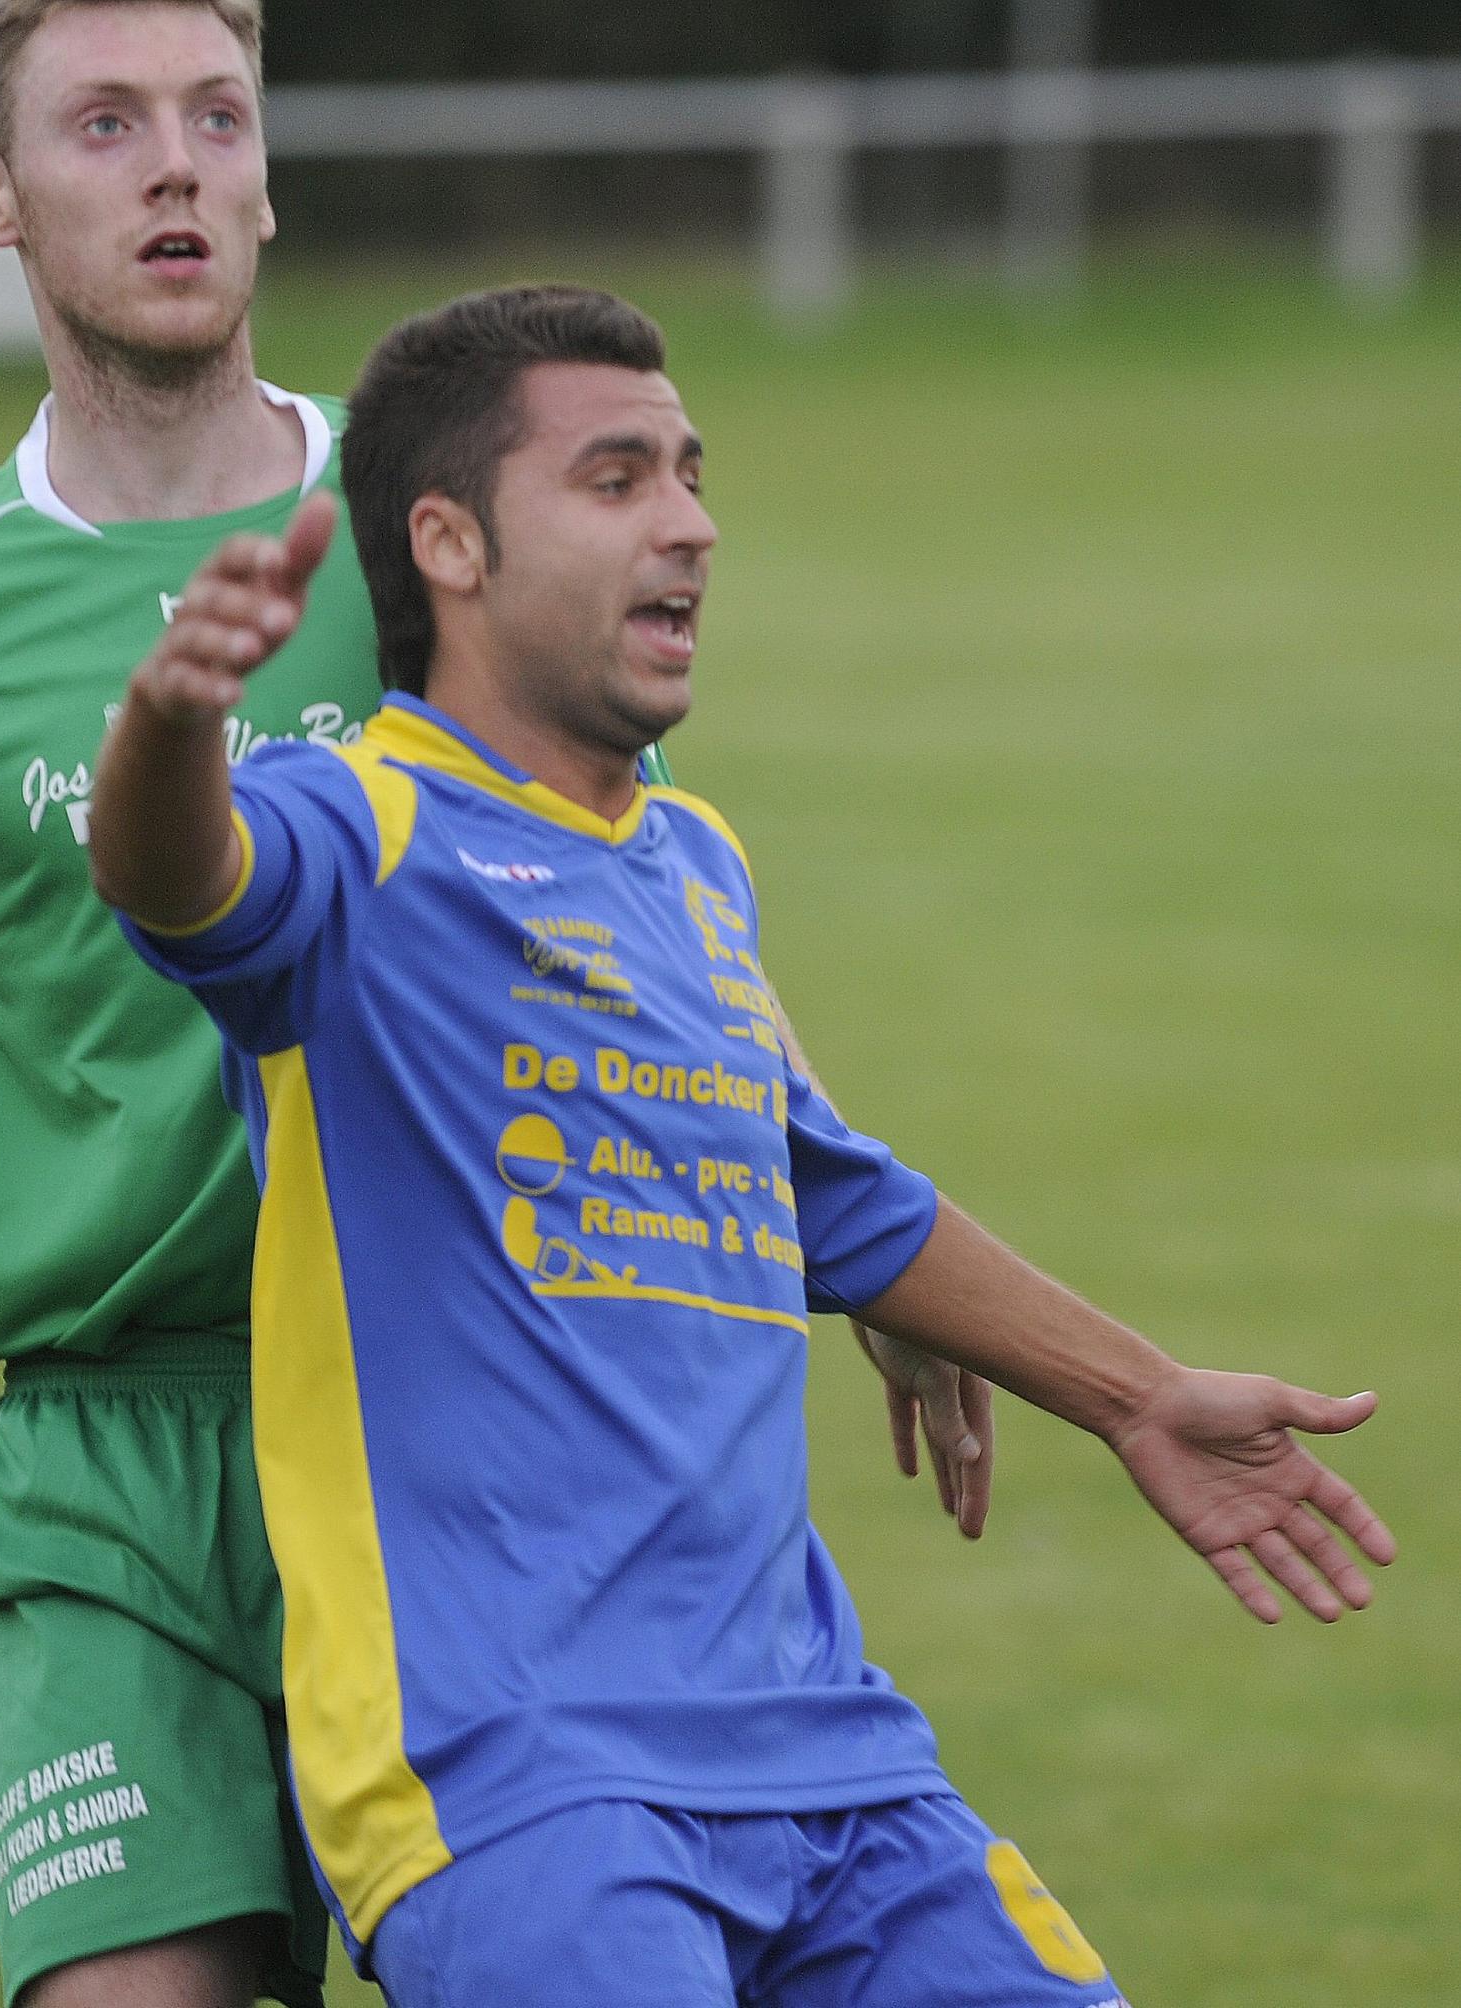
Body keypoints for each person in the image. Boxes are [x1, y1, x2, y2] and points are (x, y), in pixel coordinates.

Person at [0, 7, 983, 2004]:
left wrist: (853, 1243)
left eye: (215, 116)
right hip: (117, 1480)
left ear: (262, 173)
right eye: (105, 123)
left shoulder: (431, 525)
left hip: (481, 1458)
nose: (173, 163)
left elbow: (631, 909)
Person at [89, 283, 1396, 2008]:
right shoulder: (368, 822)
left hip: (830, 1760)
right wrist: (172, 718)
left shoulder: (693, 863)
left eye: (693, 474)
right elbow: (178, 885)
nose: (693, 524)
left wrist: (1137, 1396)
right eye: (618, 478)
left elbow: (823, 1189)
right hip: (522, 1775)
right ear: (450, 544)